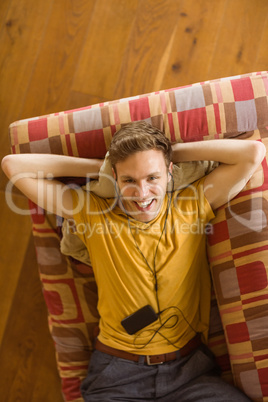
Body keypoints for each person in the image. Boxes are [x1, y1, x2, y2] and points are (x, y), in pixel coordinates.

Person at [2, 121, 265, 401]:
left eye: (152, 177)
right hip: (118, 375)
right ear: (115, 177)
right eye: (129, 180)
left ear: (169, 173)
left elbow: (252, 152)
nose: (141, 195)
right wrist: (100, 169)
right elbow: (13, 166)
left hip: (189, 373)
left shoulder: (192, 203)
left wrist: (170, 153)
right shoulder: (93, 211)